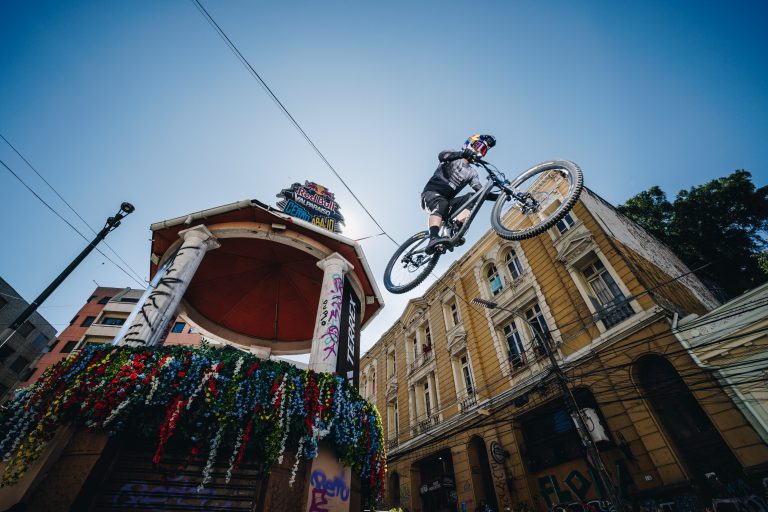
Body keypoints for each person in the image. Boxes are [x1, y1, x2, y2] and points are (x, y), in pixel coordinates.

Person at [421, 134, 497, 254]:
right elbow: (442, 156)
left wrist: (501, 196)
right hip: (431, 194)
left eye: (483, 150)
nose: (479, 151)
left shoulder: (472, 173)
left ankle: (457, 228)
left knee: (474, 197)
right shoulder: (453, 154)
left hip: (448, 202)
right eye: (478, 146)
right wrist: (461, 154)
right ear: (469, 143)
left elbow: (482, 193)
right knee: (442, 202)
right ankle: (433, 237)